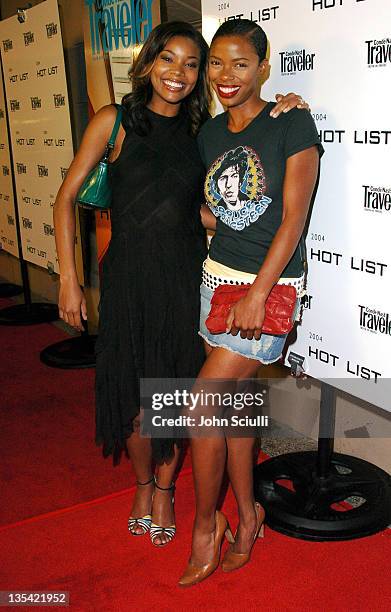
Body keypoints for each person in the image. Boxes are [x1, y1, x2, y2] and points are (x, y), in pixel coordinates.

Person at [53, 20, 309, 549]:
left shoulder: (202, 135)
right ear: (148, 63)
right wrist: (69, 279)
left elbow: (211, 210)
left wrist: (288, 99)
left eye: (193, 64)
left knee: (173, 393)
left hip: (184, 278)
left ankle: (169, 492)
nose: (181, 73)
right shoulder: (115, 121)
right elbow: (65, 198)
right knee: (131, 391)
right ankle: (144, 486)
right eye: (170, 59)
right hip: (126, 278)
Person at [178, 19, 323, 586]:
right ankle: (248, 517)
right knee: (234, 410)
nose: (225, 75)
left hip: (267, 288)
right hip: (216, 280)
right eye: (216, 63)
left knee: (201, 408)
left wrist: (259, 294)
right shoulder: (209, 135)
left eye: (241, 63)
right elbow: (216, 211)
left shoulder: (292, 121)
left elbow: (293, 219)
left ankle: (205, 525)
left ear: (263, 67)